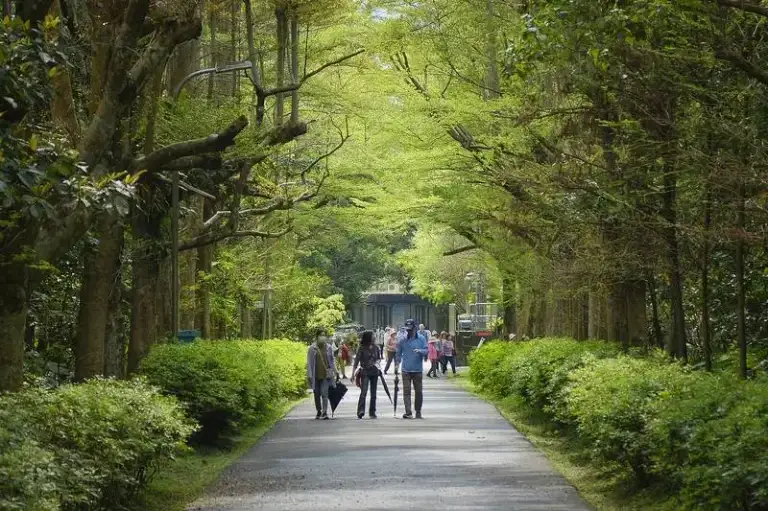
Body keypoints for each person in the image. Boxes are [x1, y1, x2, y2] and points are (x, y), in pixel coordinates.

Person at [395, 318, 428, 419]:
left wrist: (420, 351)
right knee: (407, 391)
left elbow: (427, 351)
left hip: (417, 370)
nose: (409, 331)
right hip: (406, 370)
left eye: (411, 329)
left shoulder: (421, 338)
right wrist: (397, 365)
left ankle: (418, 411)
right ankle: (408, 412)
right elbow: (398, 354)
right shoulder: (402, 340)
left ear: (415, 328)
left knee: (418, 392)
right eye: (407, 329)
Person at [306, 336, 337, 420]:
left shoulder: (329, 347)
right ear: (317, 338)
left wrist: (335, 371)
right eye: (321, 336)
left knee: (324, 394)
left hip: (325, 375)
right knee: (316, 394)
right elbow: (309, 362)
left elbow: (332, 360)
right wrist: (309, 374)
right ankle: (319, 410)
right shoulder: (312, 348)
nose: (323, 338)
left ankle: (324, 412)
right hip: (315, 375)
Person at [353, 330, 381, 419]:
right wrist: (353, 374)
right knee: (364, 392)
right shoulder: (361, 348)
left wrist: (378, 366)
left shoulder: (376, 348)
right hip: (365, 371)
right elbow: (356, 361)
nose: (374, 337)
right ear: (368, 337)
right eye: (373, 335)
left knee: (374, 393)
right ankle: (360, 411)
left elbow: (379, 359)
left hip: (374, 372)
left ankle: (372, 412)